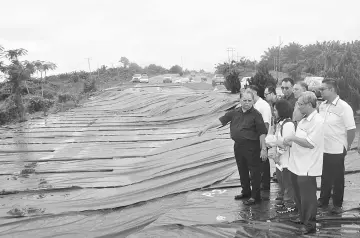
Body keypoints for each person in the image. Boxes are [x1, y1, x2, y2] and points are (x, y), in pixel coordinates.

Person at [198, 90, 268, 205]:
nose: (247, 103)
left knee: (254, 172)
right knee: (242, 170)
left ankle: (255, 197)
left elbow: (262, 133)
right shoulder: (235, 112)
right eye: (244, 100)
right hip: (239, 147)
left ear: (253, 101)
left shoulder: (256, 115)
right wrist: (206, 127)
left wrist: (263, 149)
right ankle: (246, 192)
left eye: (249, 100)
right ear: (240, 100)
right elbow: (220, 120)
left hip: (252, 148)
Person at [284, 91, 324, 235]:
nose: (298, 107)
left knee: (308, 197)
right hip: (296, 164)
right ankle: (302, 217)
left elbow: (310, 143)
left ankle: (309, 224)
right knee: (298, 194)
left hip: (308, 165)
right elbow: (295, 116)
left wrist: (293, 138)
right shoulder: (304, 119)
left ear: (309, 104)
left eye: (300, 104)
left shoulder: (318, 121)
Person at [317, 78, 356, 214]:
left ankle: (337, 204)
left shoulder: (344, 107)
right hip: (324, 147)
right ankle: (323, 200)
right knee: (325, 176)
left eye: (322, 89)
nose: (320, 91)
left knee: (337, 178)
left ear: (332, 89)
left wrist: (347, 146)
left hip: (337, 148)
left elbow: (351, 129)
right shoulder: (322, 106)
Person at [269, 99, 296, 213]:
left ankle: (290, 205)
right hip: (280, 160)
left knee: (288, 184)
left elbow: (287, 143)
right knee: (282, 182)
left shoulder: (288, 124)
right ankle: (284, 201)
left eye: (275, 110)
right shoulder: (280, 123)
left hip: (286, 161)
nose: (273, 112)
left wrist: (277, 155)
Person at [248, 85, 272, 191]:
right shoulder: (254, 104)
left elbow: (266, 125)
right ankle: (259, 182)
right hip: (254, 139)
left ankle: (265, 185)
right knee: (257, 163)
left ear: (255, 92)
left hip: (261, 139)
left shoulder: (263, 105)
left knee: (263, 162)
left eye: (248, 92)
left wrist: (263, 143)